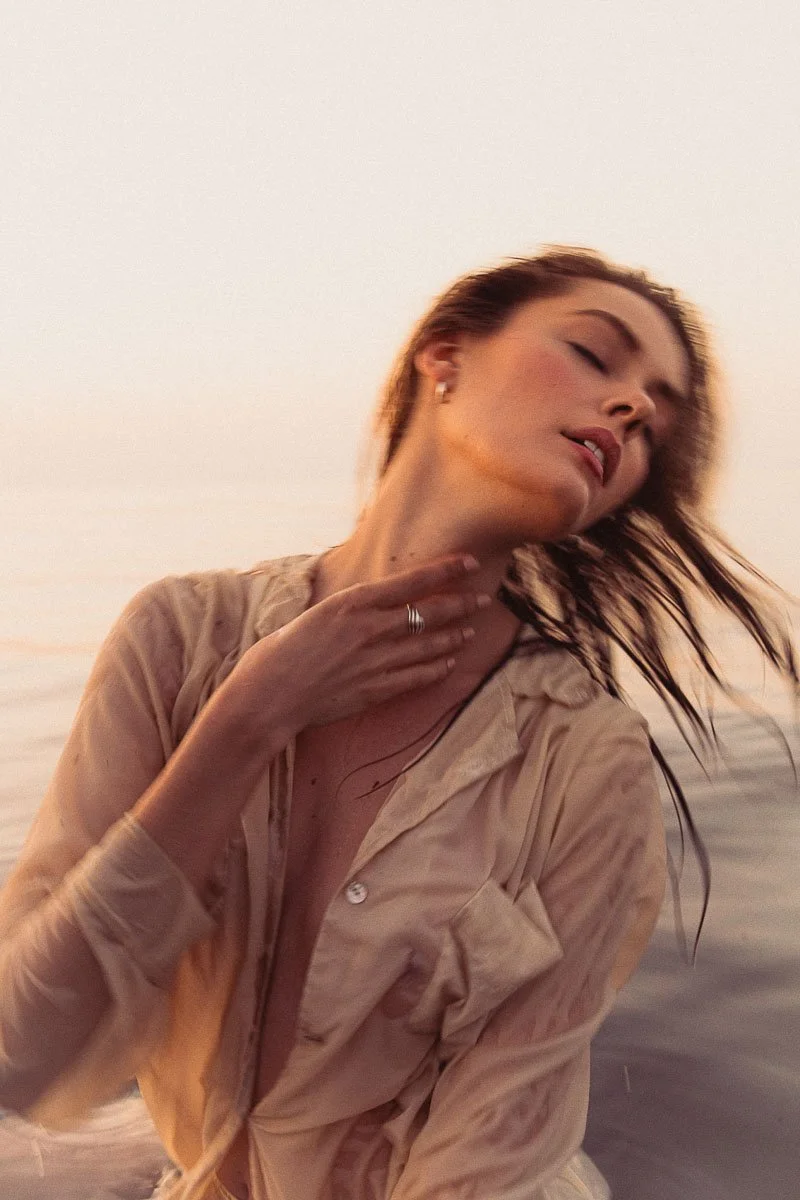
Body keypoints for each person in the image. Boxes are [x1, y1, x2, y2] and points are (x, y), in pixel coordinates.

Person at [0, 248, 795, 1200]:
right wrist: (247, 722)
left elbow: (489, 1160)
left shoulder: (586, 761)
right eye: (594, 353)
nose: (630, 409)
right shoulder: (179, 639)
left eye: (655, 423)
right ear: (445, 357)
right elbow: (22, 1057)